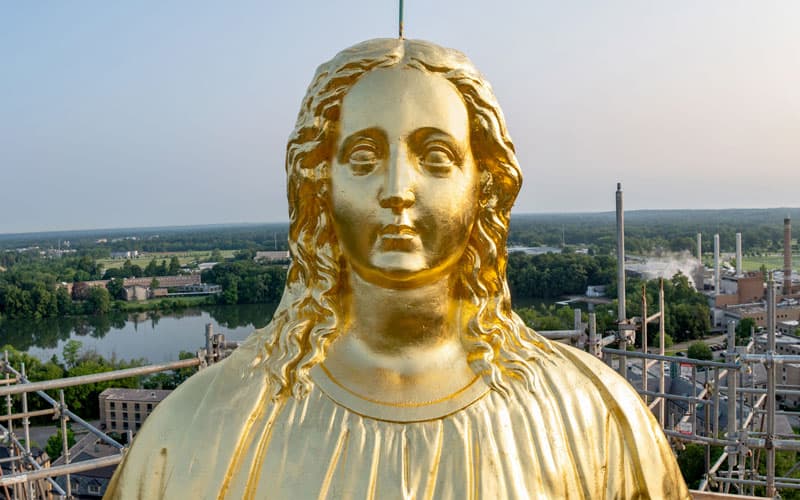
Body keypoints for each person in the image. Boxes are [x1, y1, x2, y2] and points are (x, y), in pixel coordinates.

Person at [105, 38, 689, 499]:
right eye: (363, 157)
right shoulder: (197, 432)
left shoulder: (593, 420)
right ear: (319, 183)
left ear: (483, 186)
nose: (397, 189)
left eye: (435, 157)